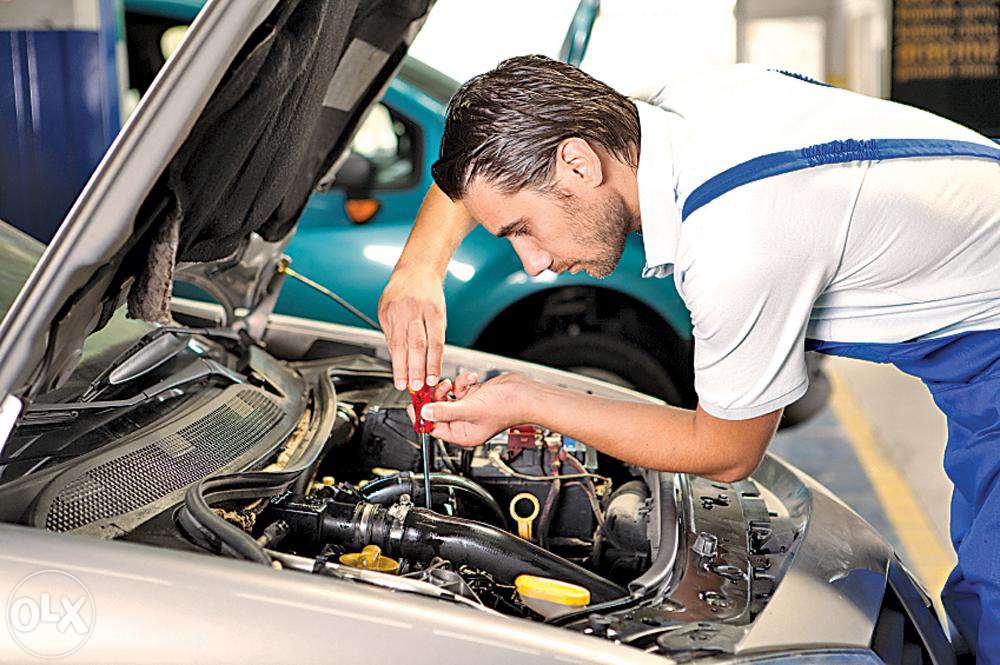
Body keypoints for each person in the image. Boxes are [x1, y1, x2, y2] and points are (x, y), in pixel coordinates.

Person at [376, 55, 1000, 659]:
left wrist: (526, 400)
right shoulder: (670, 109)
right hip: (974, 352)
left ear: (577, 165)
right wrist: (417, 270)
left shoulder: (738, 236)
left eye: (522, 228)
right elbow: (490, 159)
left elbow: (725, 451)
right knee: (980, 595)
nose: (533, 262)